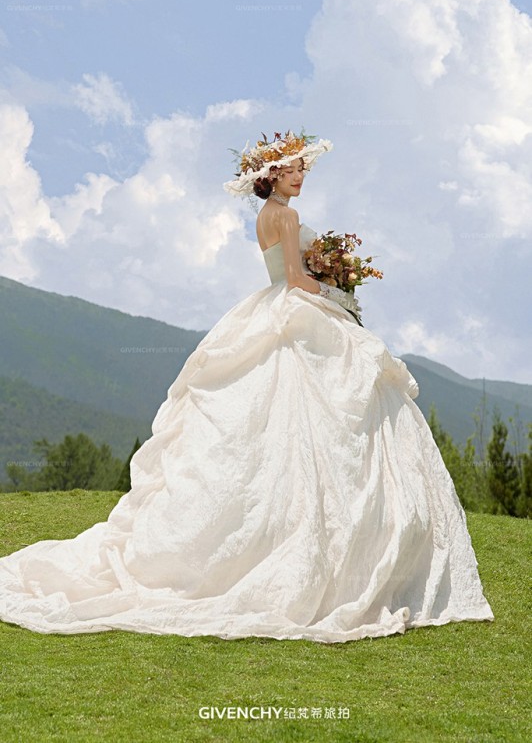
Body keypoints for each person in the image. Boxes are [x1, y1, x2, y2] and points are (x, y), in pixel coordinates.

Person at [0, 130, 494, 642]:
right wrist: (339, 294)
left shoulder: (265, 216)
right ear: (272, 176)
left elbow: (282, 274)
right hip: (293, 308)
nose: (301, 177)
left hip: (271, 307)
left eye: (303, 169)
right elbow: (296, 279)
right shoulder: (288, 217)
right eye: (293, 170)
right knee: (315, 417)